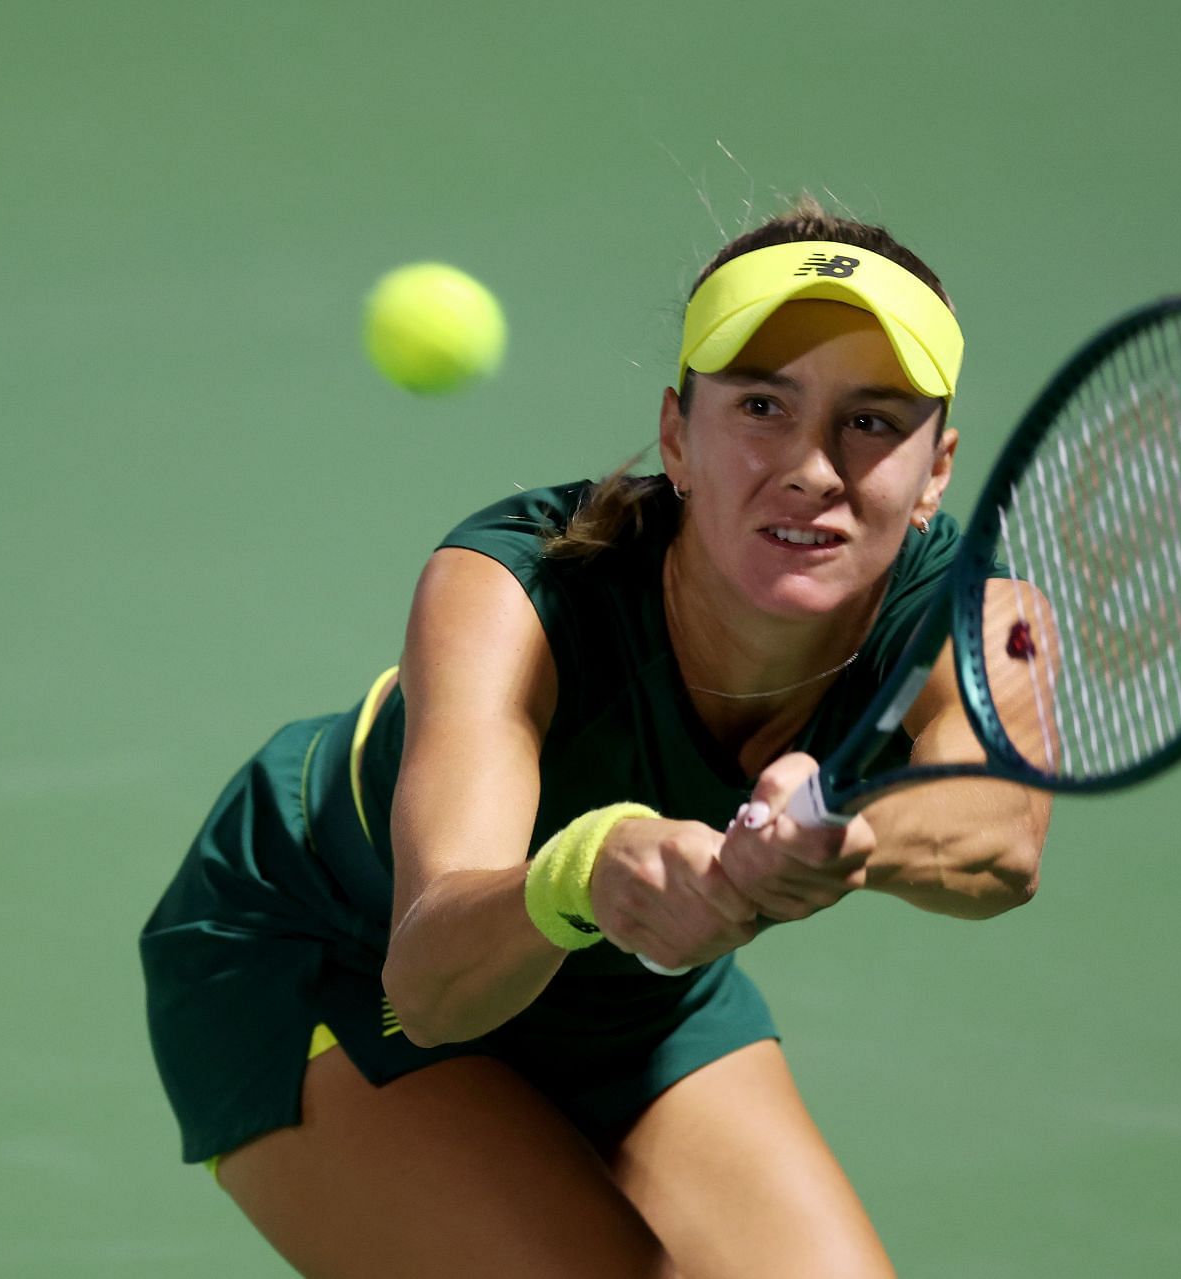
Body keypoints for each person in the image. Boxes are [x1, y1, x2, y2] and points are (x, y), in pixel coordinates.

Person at [139, 195, 1051, 1278]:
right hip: (326, 952)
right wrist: (585, 867)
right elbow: (430, 986)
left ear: (937, 467)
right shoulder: (513, 589)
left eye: (870, 420)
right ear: (678, 436)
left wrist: (847, 838)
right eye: (763, 405)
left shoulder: (981, 614)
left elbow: (999, 837)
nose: (812, 466)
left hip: (631, 999)